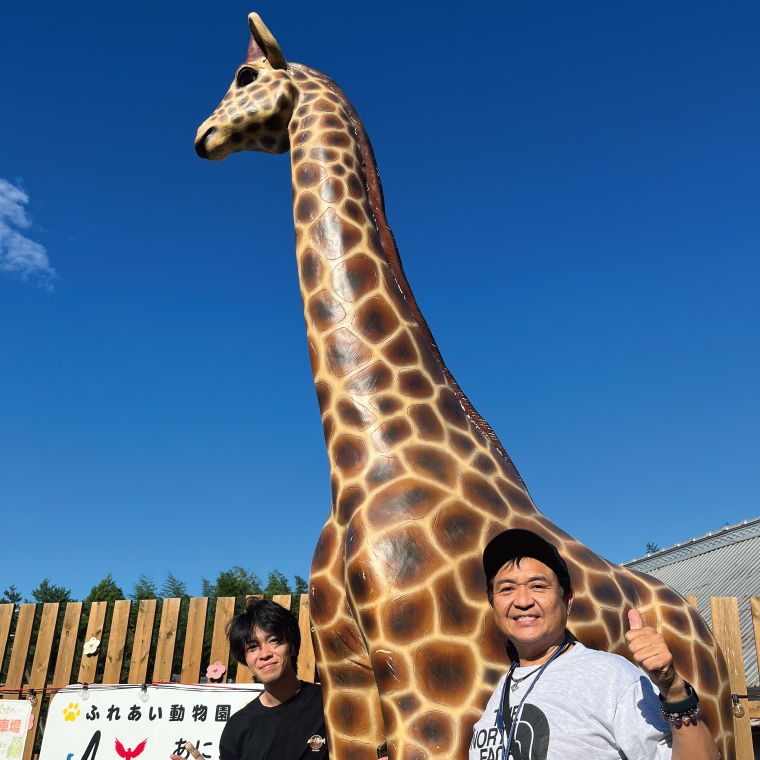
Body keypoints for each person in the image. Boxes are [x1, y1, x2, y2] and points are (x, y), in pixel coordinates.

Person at [470, 528, 719, 760]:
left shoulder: (612, 677)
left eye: (538, 586)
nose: (522, 600)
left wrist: (674, 691)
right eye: (506, 589)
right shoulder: (501, 689)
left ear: (567, 600)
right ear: (493, 605)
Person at [170, 598, 328, 760]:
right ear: (245, 659)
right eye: (253, 647)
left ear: (292, 647)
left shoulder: (329, 703)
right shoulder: (237, 728)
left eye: (273, 640)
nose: (265, 654)